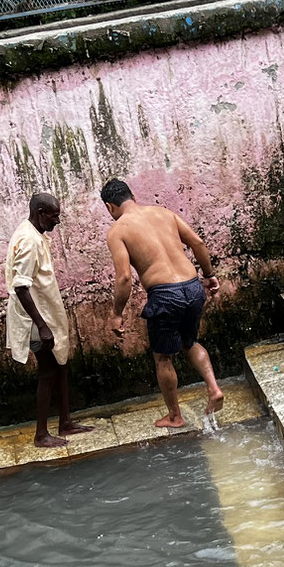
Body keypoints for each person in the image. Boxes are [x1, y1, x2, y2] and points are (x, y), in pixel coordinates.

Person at [102, 178, 226, 429]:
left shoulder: (118, 230)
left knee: (163, 358)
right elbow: (198, 243)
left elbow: (125, 277)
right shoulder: (163, 213)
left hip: (164, 294)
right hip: (192, 286)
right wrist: (209, 275)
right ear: (133, 197)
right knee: (189, 342)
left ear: (110, 207)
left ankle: (174, 416)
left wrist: (116, 313)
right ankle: (213, 388)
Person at [6, 191, 93, 450]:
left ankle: (65, 421)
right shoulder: (29, 240)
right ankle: (41, 434)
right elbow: (20, 287)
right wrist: (42, 326)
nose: (57, 222)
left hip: (47, 314)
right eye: (54, 217)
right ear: (41, 214)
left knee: (61, 365)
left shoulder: (35, 234)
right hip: (36, 320)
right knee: (48, 372)